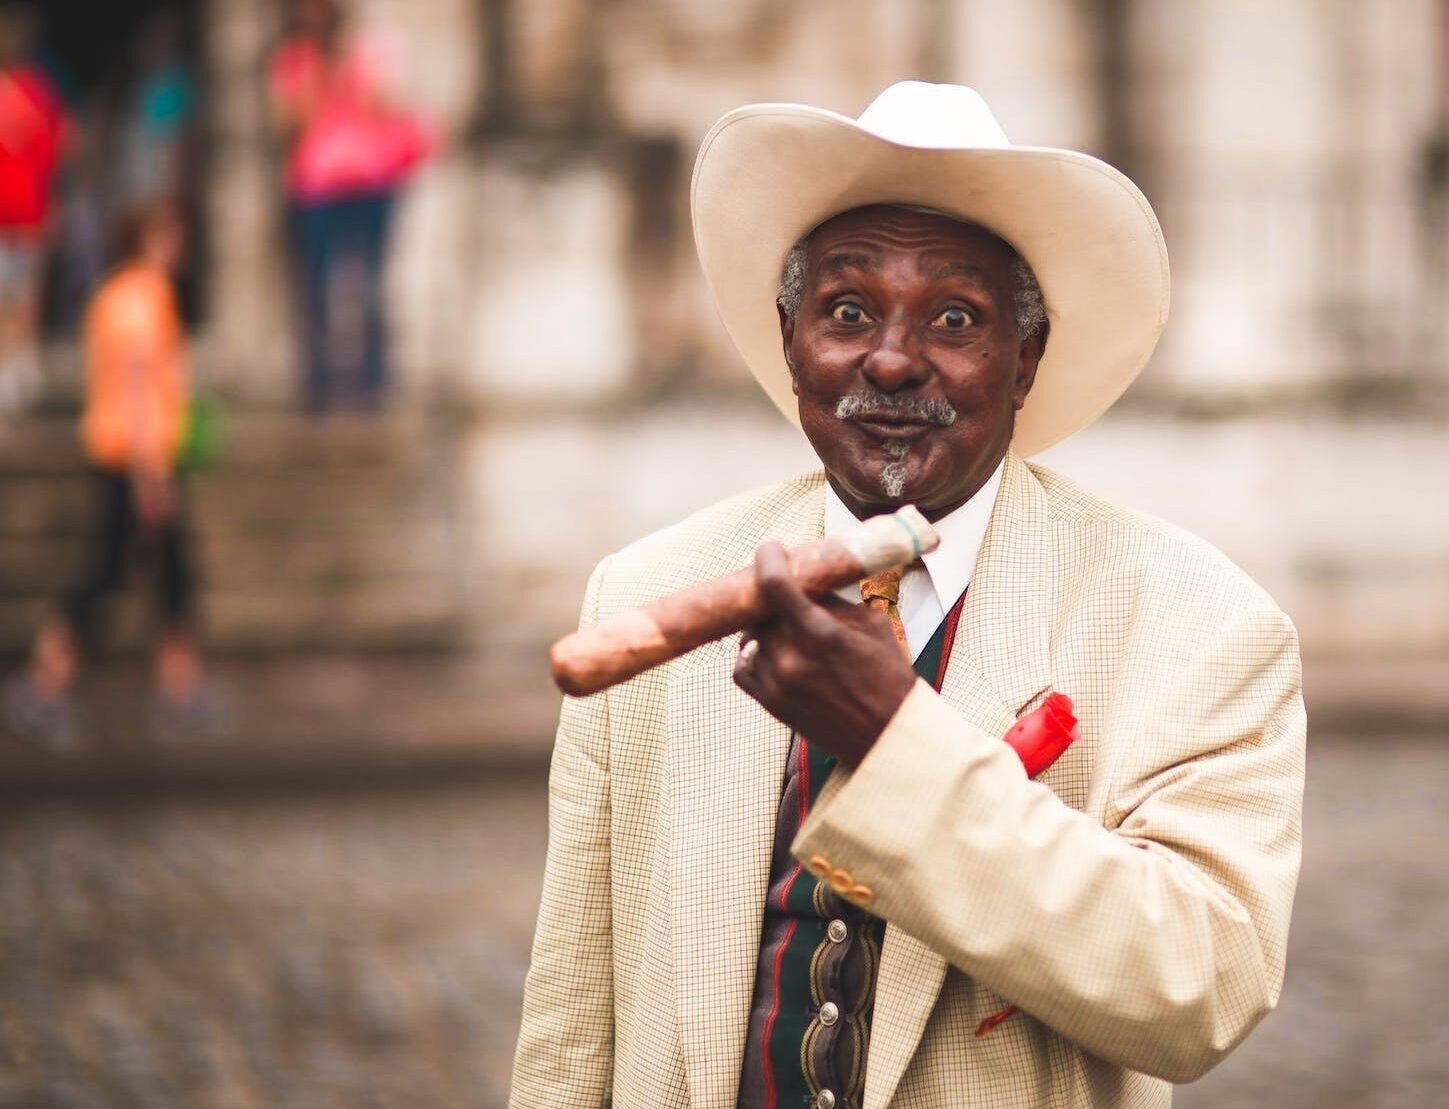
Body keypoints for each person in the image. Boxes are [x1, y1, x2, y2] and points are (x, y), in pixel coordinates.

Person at [511, 82, 1306, 1109]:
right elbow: (572, 1024)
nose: (890, 357)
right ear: (793, 339)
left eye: (955, 317)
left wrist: (895, 740)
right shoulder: (647, 591)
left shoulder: (1197, 620)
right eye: (848, 310)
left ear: (1025, 364)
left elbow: (1202, 987)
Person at [4, 206, 207, 749]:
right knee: (112, 573)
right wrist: (151, 475)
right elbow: (140, 384)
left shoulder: (114, 294)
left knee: (169, 572)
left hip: (119, 449)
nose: (179, 246)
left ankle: (178, 681)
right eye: (170, 234)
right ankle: (45, 681)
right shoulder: (144, 297)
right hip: (136, 456)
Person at [267, 0, 427, 414]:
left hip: (370, 184)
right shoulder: (294, 61)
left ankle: (373, 383)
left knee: (372, 288)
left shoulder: (365, 53)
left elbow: (388, 105)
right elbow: (288, 124)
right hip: (316, 189)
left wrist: (359, 78)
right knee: (315, 291)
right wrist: (316, 84)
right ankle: (318, 386)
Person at [0, 4, 69, 413]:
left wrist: (52, 201)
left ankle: (21, 361)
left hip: (29, 212)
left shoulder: (37, 91)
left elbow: (56, 144)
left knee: (25, 293)